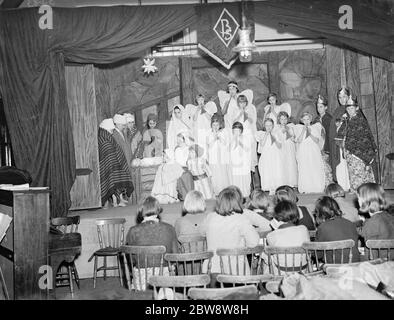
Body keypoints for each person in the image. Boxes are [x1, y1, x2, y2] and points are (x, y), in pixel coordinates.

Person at [199, 187, 260, 284]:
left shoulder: (210, 217)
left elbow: (201, 232)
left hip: (212, 270)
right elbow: (253, 243)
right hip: (237, 271)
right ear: (238, 201)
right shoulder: (241, 219)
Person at [126, 196, 178, 290]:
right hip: (164, 276)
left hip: (142, 277)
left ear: (141, 210)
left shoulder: (132, 231)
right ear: (158, 209)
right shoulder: (170, 228)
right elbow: (175, 255)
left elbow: (132, 259)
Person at [337, 95, 377, 192]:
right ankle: (356, 190)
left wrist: (365, 153)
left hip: (360, 153)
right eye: (348, 108)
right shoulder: (347, 120)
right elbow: (341, 133)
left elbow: (365, 137)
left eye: (352, 108)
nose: (350, 110)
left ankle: (365, 191)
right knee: (353, 173)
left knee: (361, 173)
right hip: (350, 152)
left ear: (357, 108)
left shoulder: (360, 120)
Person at [265, 201, 310, 273]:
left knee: (265, 255)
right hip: (303, 270)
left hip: (281, 273)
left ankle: (263, 282)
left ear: (276, 217)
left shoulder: (271, 236)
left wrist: (275, 228)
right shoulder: (304, 229)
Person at [98, 118, 134, 208]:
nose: (112, 131)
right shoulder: (103, 138)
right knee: (112, 181)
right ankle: (115, 201)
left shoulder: (107, 135)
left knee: (117, 180)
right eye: (111, 129)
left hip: (115, 165)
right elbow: (108, 152)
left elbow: (116, 149)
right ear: (106, 128)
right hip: (110, 166)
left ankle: (118, 199)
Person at [314, 196, 360, 263]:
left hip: (334, 268)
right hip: (354, 265)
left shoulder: (323, 227)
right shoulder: (351, 224)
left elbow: (318, 254)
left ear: (319, 213)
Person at [294, 112, 325, 193]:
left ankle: (316, 187)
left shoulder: (315, 127)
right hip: (303, 150)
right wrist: (303, 130)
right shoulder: (298, 128)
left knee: (314, 166)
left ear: (310, 120)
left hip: (313, 150)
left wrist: (309, 132)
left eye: (308, 119)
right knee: (305, 168)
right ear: (301, 120)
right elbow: (299, 140)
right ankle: (306, 187)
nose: (306, 121)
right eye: (304, 119)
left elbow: (317, 140)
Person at [328, 87, 351, 183]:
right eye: (339, 97)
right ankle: (342, 183)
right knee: (341, 162)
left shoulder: (352, 109)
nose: (342, 99)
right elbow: (333, 128)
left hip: (349, 141)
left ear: (348, 97)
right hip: (338, 142)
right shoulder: (337, 110)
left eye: (344, 97)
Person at [256, 118, 283, 194]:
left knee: (275, 171)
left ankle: (275, 188)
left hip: (274, 156)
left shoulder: (276, 134)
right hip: (266, 156)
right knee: (267, 171)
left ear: (273, 126)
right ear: (264, 126)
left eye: (270, 125)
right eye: (267, 125)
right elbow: (261, 145)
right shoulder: (261, 134)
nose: (268, 127)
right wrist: (266, 134)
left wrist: (274, 137)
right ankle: (269, 188)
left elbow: (279, 146)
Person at [206, 115, 231, 196]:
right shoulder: (209, 134)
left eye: (217, 125)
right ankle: (215, 190)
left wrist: (220, 137)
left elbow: (226, 144)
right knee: (214, 173)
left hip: (221, 156)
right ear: (211, 125)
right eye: (214, 125)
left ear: (220, 125)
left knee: (222, 172)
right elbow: (209, 145)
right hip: (213, 156)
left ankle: (223, 189)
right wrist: (214, 138)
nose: (216, 127)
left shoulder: (223, 133)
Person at [229, 122, 252, 197]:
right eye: (235, 131)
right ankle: (236, 193)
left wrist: (238, 141)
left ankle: (245, 193)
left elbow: (247, 150)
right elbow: (229, 150)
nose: (236, 132)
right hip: (235, 162)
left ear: (241, 131)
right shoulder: (230, 139)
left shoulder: (245, 138)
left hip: (244, 162)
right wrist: (234, 140)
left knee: (244, 178)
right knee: (236, 178)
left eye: (238, 131)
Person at [276, 111, 298, 188]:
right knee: (283, 164)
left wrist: (288, 132)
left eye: (285, 119)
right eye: (282, 119)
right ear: (279, 120)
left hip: (290, 147)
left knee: (291, 163)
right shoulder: (277, 128)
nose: (284, 121)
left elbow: (293, 138)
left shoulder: (290, 127)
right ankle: (283, 182)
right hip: (282, 148)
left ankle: (292, 182)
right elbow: (277, 139)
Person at [334, 117, 350, 191]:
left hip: (343, 150)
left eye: (340, 122)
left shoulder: (344, 129)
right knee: (341, 167)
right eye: (337, 122)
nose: (338, 124)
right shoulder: (337, 130)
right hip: (339, 151)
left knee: (345, 167)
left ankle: (347, 185)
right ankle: (342, 185)